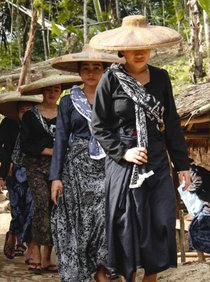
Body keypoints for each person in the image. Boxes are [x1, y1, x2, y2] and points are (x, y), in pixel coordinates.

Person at [90, 15, 191, 282]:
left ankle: (151, 279)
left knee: (161, 221)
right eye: (134, 48)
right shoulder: (110, 79)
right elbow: (99, 125)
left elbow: (171, 123)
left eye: (144, 47)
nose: (140, 53)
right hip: (123, 163)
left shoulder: (161, 78)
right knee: (127, 225)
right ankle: (128, 277)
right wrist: (124, 152)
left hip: (157, 161)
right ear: (122, 50)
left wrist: (182, 165)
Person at [49, 45, 124, 281]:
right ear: (79, 72)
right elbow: (60, 139)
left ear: (104, 70)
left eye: (96, 68)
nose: (91, 73)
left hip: (106, 167)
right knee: (78, 223)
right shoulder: (68, 102)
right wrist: (55, 178)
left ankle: (101, 270)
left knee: (105, 218)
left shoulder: (114, 97)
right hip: (75, 172)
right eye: (86, 69)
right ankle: (81, 272)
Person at [19, 74, 82, 274]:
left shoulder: (66, 112)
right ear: (42, 92)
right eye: (48, 90)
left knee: (57, 209)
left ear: (60, 91)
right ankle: (35, 250)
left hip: (62, 167)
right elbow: (26, 145)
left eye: (56, 89)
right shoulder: (31, 115)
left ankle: (48, 257)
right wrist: (52, 151)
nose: (52, 93)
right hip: (37, 166)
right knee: (41, 206)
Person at [0, 91, 42, 261]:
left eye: (29, 110)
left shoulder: (39, 125)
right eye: (22, 110)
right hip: (14, 174)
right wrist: (4, 168)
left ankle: (27, 246)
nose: (26, 114)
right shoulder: (8, 124)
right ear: (16, 112)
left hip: (35, 173)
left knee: (32, 209)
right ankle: (13, 234)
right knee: (17, 210)